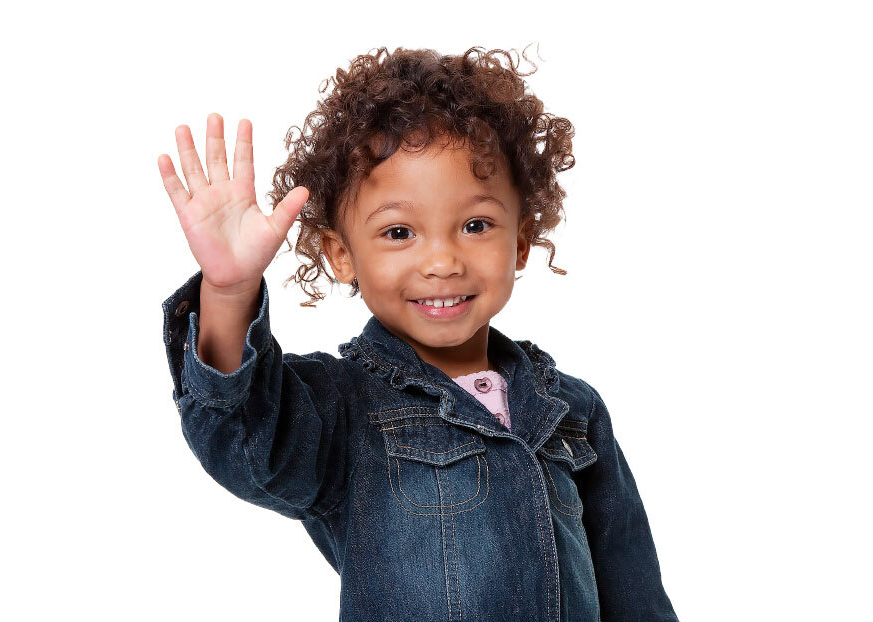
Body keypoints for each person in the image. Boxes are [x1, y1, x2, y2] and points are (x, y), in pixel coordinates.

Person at [158, 46, 679, 622]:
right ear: (341, 254)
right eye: (400, 231)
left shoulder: (572, 410)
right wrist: (229, 292)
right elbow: (246, 437)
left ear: (521, 241)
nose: (441, 261)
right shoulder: (345, 407)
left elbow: (634, 590)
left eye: (475, 225)